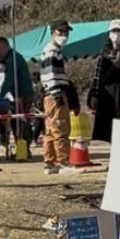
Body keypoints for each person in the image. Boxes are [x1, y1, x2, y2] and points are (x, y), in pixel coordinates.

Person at [38, 20, 80, 176]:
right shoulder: (52, 51)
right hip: (55, 93)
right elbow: (49, 76)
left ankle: (50, 163)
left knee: (50, 130)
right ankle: (63, 162)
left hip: (50, 95)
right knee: (61, 128)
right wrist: (57, 95)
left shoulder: (52, 51)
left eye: (66, 33)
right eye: (60, 32)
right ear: (52, 33)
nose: (64, 35)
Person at [87, 21, 120, 143]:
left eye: (119, 32)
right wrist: (94, 94)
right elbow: (97, 76)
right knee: (105, 126)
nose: (116, 35)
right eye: (113, 31)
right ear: (109, 34)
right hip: (105, 93)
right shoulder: (103, 53)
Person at [0, 37, 33, 143]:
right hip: (20, 93)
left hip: (22, 94)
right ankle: (22, 145)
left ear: (5, 46)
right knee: (20, 119)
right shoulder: (14, 57)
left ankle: (23, 147)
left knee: (19, 120)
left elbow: (9, 80)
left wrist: (0, 96)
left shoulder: (13, 59)